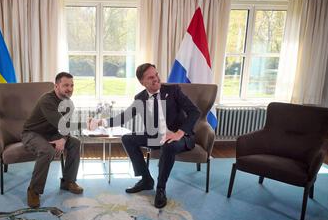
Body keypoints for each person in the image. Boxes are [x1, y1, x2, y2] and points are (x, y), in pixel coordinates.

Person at [89, 63, 200, 208]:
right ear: (142, 82)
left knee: (169, 145)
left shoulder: (173, 91)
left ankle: (161, 188)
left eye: (157, 75)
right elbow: (124, 117)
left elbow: (194, 112)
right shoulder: (140, 98)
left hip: (180, 138)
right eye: (151, 77)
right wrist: (99, 122)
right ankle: (146, 179)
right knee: (127, 138)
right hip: (156, 137)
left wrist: (180, 133)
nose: (156, 79)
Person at [22, 72, 83, 208]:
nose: (70, 88)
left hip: (52, 134)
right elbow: (62, 124)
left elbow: (65, 126)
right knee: (46, 151)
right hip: (32, 133)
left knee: (75, 143)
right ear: (56, 86)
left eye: (72, 85)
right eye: (66, 85)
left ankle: (68, 181)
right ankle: (34, 190)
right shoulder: (47, 100)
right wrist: (62, 137)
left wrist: (63, 139)